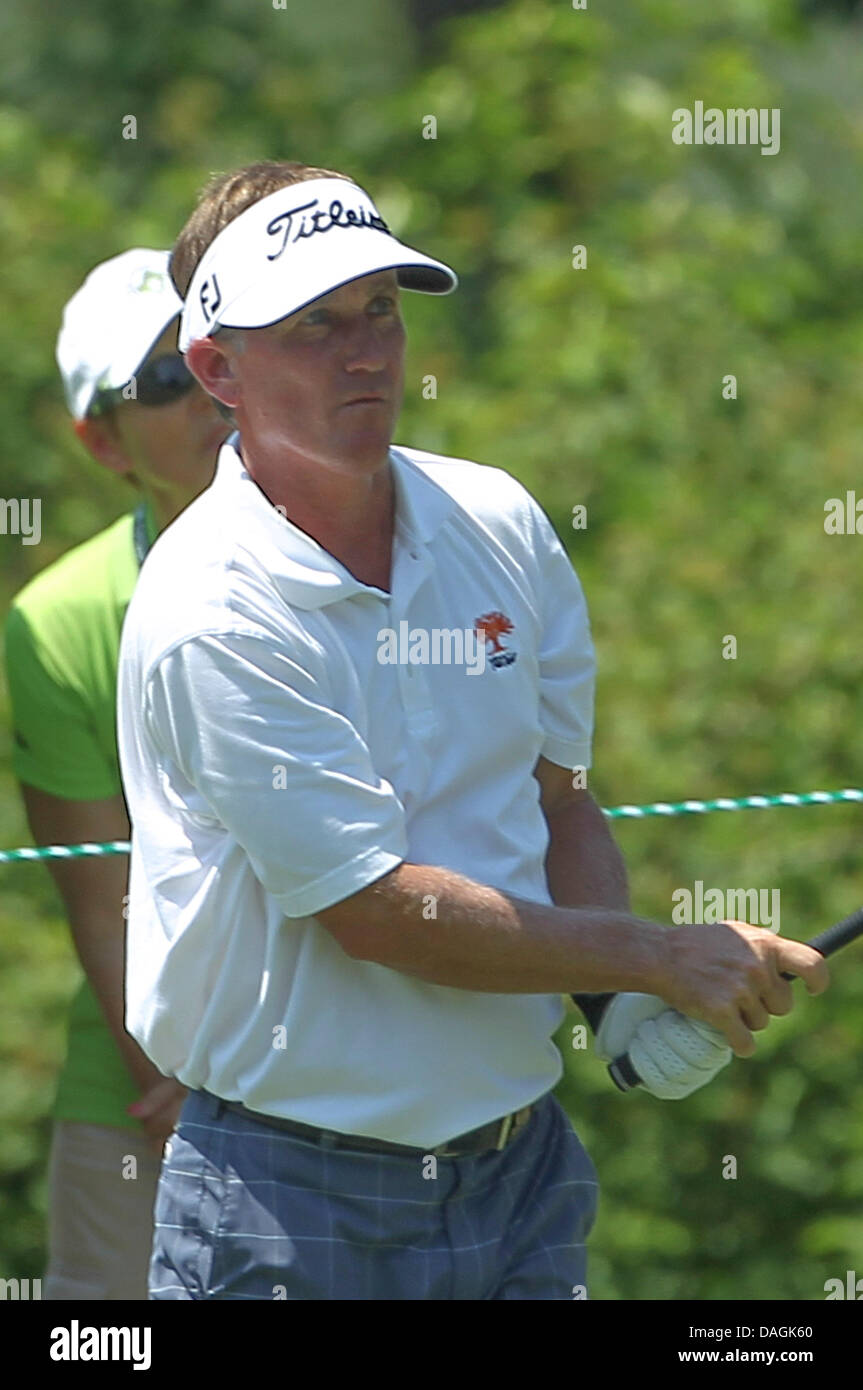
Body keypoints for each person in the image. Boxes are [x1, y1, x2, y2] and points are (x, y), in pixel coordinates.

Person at [116, 161, 829, 1301]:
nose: (366, 352)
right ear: (217, 369)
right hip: (289, 1201)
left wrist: (619, 1007)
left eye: (381, 311)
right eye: (311, 326)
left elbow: (556, 800)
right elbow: (376, 912)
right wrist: (655, 952)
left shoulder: (498, 517)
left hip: (521, 1173)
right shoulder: (211, 607)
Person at [4, 248, 228, 1300]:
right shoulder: (57, 624)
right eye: (165, 379)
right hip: (140, 1107)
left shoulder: (387, 555)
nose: (207, 388)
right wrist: (180, 1089)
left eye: (219, 352)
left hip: (363, 1090)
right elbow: (106, 903)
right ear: (103, 438)